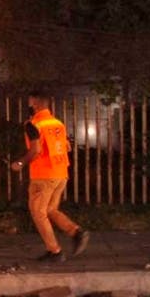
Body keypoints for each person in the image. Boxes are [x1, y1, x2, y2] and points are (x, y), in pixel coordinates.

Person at [10, 90, 90, 262]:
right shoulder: (57, 123)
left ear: (34, 102)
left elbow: (36, 150)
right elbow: (67, 147)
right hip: (61, 173)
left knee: (38, 212)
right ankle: (76, 232)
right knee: (50, 210)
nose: (28, 104)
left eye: (30, 100)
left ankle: (55, 251)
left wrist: (20, 163)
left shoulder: (33, 124)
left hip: (44, 176)